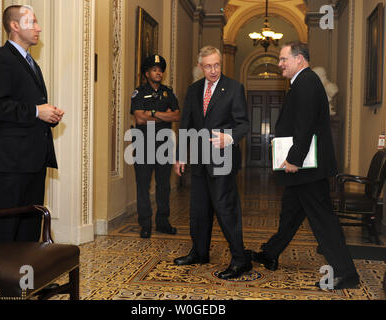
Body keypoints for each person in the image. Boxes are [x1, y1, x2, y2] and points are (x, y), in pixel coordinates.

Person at [250, 41, 359, 289]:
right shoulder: (302, 81)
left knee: (323, 220)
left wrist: (294, 159)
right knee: (290, 214)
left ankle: (346, 273)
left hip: (306, 169)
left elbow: (305, 125)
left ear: (299, 59)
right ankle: (270, 253)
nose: (279, 64)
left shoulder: (307, 82)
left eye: (283, 59)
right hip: (305, 170)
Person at [0, 5, 64, 242]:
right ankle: (2, 280)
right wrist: (38, 111)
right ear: (15, 26)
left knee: (29, 231)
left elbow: (27, 107)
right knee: (6, 232)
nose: (38, 28)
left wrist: (50, 114)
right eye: (32, 22)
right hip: (11, 163)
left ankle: (25, 279)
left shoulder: (32, 64)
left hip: (34, 160)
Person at [173, 46, 251, 280]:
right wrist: (180, 155)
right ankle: (199, 252)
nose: (214, 70)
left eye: (217, 65)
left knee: (225, 209)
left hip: (223, 159)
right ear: (201, 67)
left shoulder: (234, 88)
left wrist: (229, 138)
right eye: (208, 66)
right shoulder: (194, 90)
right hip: (198, 159)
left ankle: (239, 259)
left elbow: (243, 124)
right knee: (199, 209)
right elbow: (185, 125)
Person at [130, 54, 180, 238]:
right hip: (143, 144)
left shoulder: (168, 92)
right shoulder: (139, 92)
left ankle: (163, 222)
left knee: (164, 185)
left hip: (164, 145)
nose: (158, 72)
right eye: (154, 69)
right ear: (147, 73)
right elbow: (139, 118)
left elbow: (176, 116)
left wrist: (151, 112)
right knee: (143, 185)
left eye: (160, 70)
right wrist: (161, 113)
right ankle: (145, 224)